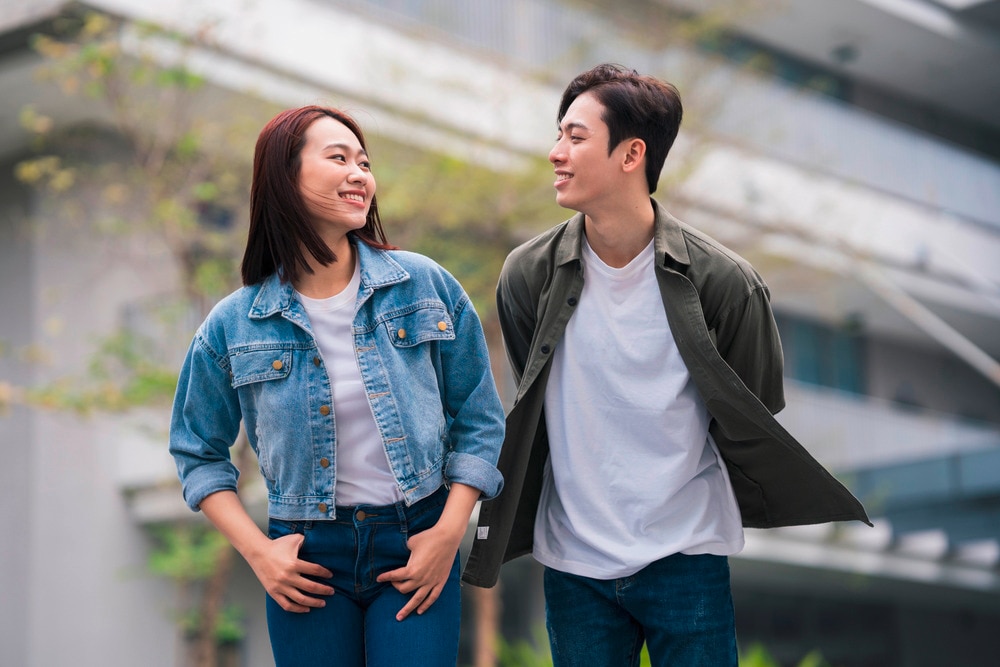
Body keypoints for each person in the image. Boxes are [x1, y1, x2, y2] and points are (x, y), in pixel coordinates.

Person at [462, 64, 870, 666]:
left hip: (686, 554)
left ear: (632, 154)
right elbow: (534, 385)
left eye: (576, 137)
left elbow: (751, 405)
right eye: (559, 135)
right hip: (573, 562)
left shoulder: (724, 282)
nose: (556, 153)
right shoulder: (529, 275)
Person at [169, 105, 505, 667]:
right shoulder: (233, 324)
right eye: (339, 158)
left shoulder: (424, 285)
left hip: (417, 539)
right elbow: (197, 452)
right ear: (285, 178)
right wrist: (260, 554)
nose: (360, 174)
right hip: (305, 558)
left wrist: (449, 534)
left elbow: (480, 417)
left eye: (365, 162)